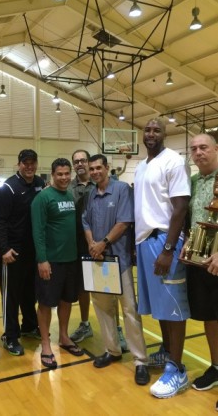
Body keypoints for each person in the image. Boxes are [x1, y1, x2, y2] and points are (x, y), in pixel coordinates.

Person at [134, 118, 191, 399]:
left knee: (173, 307)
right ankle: (168, 353)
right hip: (145, 241)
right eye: (147, 129)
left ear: (165, 134)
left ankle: (177, 369)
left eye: (157, 129)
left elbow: (180, 207)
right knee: (158, 307)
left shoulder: (174, 161)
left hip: (165, 240)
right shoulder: (141, 165)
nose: (151, 133)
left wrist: (169, 249)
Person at [82, 154, 149, 385]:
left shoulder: (121, 190)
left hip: (117, 261)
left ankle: (141, 360)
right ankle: (113, 350)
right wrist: (92, 244)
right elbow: (86, 222)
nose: (95, 172)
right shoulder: (91, 193)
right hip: (98, 261)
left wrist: (104, 244)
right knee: (103, 309)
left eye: (98, 168)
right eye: (92, 169)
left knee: (130, 310)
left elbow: (124, 222)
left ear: (107, 168)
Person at [31, 158, 83, 369]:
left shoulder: (70, 195)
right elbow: (38, 231)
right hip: (50, 261)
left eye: (66, 174)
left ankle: (64, 336)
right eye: (59, 174)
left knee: (66, 300)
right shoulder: (42, 198)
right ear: (52, 174)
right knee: (45, 303)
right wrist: (42, 260)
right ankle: (45, 344)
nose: (64, 178)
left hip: (71, 260)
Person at [0, 149, 45, 356]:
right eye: (25, 163)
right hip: (12, 252)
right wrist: (4, 249)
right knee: (12, 296)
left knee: (30, 293)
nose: (29, 166)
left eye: (32, 162)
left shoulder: (40, 184)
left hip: (32, 251)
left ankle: (30, 326)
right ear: (19, 164)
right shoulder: (8, 187)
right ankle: (10, 335)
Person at [180, 134, 218, 391]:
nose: (198, 153)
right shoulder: (192, 182)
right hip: (199, 261)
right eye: (194, 149)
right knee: (210, 317)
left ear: (216, 149)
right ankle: (216, 367)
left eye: (203, 147)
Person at [68, 149, 94, 343]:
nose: (79, 164)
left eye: (83, 160)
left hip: (102, 244)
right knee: (82, 288)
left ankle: (116, 329)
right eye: (76, 161)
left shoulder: (101, 184)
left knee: (108, 289)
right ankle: (85, 324)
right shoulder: (67, 188)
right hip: (77, 246)